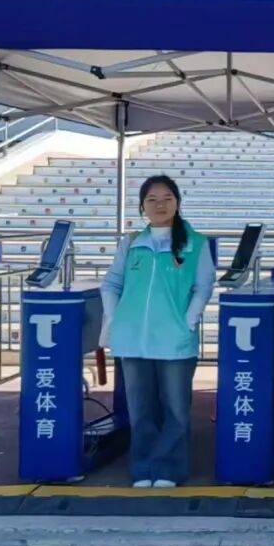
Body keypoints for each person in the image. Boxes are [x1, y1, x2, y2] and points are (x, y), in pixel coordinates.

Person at [100, 175, 215, 489]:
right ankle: (143, 469)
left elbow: (203, 286)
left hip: (174, 341)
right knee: (141, 410)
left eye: (167, 198)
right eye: (152, 199)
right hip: (133, 340)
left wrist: (188, 321)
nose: (160, 205)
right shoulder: (132, 243)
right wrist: (116, 317)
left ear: (178, 202)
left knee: (175, 409)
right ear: (142, 207)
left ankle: (169, 469)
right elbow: (111, 283)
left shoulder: (195, 243)